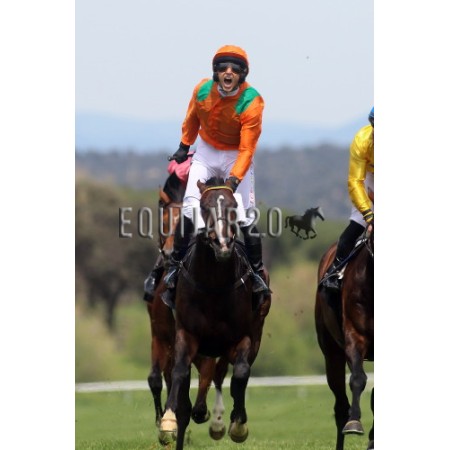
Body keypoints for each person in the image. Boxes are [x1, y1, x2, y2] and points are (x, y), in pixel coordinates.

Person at [162, 44, 271, 305]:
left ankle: (257, 274)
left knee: (245, 215)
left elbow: (247, 148)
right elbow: (192, 118)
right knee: (190, 209)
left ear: (242, 74)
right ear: (216, 72)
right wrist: (184, 145)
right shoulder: (201, 90)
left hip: (236, 154)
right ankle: (175, 268)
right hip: (207, 152)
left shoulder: (252, 101)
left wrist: (234, 181)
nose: (228, 72)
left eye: (235, 69)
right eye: (223, 68)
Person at [320, 107, 374, 292]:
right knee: (350, 234)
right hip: (369, 179)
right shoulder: (362, 140)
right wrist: (368, 215)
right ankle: (335, 274)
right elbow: (355, 181)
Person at [143, 155, 192, 301]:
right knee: (169, 234)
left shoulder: (205, 171)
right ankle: (155, 275)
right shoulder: (175, 175)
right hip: (176, 208)